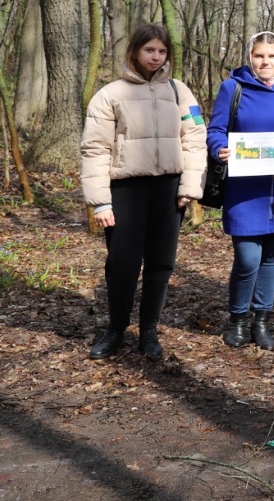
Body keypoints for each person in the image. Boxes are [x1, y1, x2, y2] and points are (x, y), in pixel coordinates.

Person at [81, 24, 206, 360]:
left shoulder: (180, 92)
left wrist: (190, 186)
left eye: (162, 51)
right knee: (122, 263)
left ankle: (148, 331)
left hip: (168, 190)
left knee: (161, 264)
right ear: (135, 51)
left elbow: (194, 139)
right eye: (149, 50)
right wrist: (100, 201)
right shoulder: (109, 95)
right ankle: (116, 329)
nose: (156, 57)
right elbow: (94, 149)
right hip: (125, 190)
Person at [207, 31, 274, 351]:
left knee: (270, 258)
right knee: (248, 257)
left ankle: (261, 322)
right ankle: (238, 320)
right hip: (243, 190)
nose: (265, 62)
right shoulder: (232, 87)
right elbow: (215, 130)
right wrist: (220, 149)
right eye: (259, 55)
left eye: (271, 56)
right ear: (249, 56)